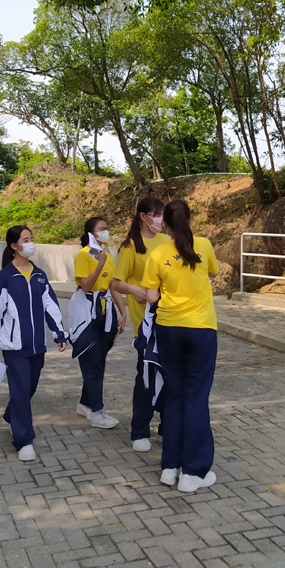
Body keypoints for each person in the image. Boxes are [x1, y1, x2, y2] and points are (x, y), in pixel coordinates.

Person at [142, 199, 219, 493]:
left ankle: (170, 466)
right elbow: (212, 272)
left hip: (169, 329)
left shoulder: (157, 253)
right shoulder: (204, 245)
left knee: (174, 395)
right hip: (201, 329)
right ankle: (193, 472)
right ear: (189, 220)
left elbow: (151, 296)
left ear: (165, 224)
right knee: (196, 397)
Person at [0, 225, 68, 461]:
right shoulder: (5, 278)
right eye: (25, 239)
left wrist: (59, 334)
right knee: (20, 391)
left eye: (31, 238)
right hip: (14, 347)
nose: (30, 243)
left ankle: (12, 415)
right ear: (14, 246)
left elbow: (51, 305)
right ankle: (23, 440)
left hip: (37, 345)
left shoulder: (39, 275)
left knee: (29, 388)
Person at [112, 196, 168, 452]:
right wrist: (135, 290)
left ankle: (167, 427)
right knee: (146, 378)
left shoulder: (167, 241)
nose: (160, 220)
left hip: (170, 321)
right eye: (155, 215)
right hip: (145, 325)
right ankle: (140, 431)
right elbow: (116, 282)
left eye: (162, 214)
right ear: (143, 217)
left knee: (170, 377)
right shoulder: (130, 246)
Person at [69, 216, 126, 429]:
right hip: (87, 312)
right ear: (91, 234)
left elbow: (112, 286)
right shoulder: (84, 255)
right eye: (102, 229)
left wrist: (123, 312)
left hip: (104, 312)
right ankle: (97, 410)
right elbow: (85, 285)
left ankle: (86, 403)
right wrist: (99, 265)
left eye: (107, 228)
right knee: (91, 360)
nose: (106, 232)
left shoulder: (107, 256)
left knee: (99, 359)